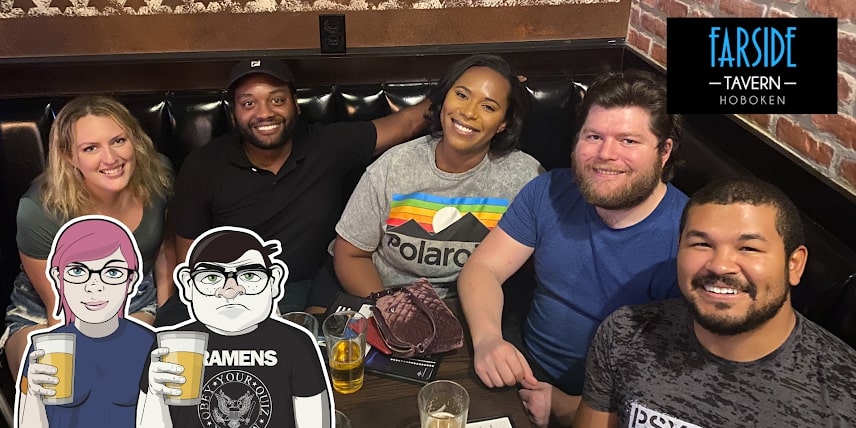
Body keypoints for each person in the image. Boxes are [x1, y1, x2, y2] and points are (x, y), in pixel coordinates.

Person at [457, 73, 688, 426]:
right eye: (593, 136)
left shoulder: (692, 236)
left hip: (617, 407)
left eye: (628, 140)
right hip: (522, 369)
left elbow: (681, 374)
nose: (606, 154)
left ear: (664, 151)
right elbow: (483, 268)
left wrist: (568, 406)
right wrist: (488, 339)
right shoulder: (549, 190)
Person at [158, 58, 430, 323]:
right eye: (248, 103)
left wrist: (451, 92)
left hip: (310, 289)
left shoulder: (325, 145)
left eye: (277, 100)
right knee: (170, 331)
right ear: (233, 113)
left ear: (295, 104)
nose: (264, 113)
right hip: (232, 289)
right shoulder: (203, 165)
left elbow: (406, 123)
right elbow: (190, 255)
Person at [575, 176, 856, 427]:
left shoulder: (844, 391)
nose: (720, 266)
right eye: (701, 244)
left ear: (794, 265)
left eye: (749, 248)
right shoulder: (625, 333)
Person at [323, 54, 542, 303]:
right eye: (461, 95)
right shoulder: (394, 166)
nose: (469, 112)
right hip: (387, 296)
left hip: (474, 304)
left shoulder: (525, 177)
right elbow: (351, 254)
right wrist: (390, 309)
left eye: (488, 107)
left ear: (503, 123)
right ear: (444, 99)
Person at [2, 96, 173, 380]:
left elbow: (166, 250)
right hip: (49, 308)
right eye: (91, 148)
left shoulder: (158, 175)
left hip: (133, 296)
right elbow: (60, 309)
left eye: (118, 141)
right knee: (56, 380)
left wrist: (168, 320)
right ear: (70, 156)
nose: (111, 158)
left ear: (134, 140)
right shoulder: (39, 209)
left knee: (132, 377)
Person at [139, 227, 332, 428]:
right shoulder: (173, 346)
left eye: (249, 275)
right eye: (212, 277)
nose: (230, 290)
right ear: (188, 285)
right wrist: (154, 396)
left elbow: (315, 421)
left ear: (273, 280)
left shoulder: (294, 344)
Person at [18, 216, 157, 427]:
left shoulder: (149, 346)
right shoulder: (44, 350)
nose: (94, 286)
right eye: (77, 271)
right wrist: (33, 396)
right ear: (58, 278)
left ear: (130, 281)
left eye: (112, 272)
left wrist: (160, 398)